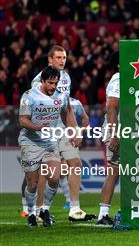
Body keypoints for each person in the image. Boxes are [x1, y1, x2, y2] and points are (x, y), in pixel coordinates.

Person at [27, 45, 85, 222]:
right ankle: (38, 211)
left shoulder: (65, 77)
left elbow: (66, 106)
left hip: (59, 126)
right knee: (47, 172)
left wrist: (74, 130)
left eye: (64, 57)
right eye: (58, 57)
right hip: (43, 129)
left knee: (75, 162)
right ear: (50, 60)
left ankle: (74, 209)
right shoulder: (38, 82)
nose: (62, 61)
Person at [19, 66, 78, 227]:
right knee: (32, 182)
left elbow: (67, 113)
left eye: (56, 83)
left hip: (50, 141)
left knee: (54, 178)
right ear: (42, 81)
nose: (53, 87)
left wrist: (74, 132)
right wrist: (38, 127)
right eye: (50, 83)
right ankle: (31, 212)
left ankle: (44, 210)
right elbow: (22, 120)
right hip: (30, 142)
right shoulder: (29, 96)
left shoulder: (61, 96)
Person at [96, 51, 120, 225]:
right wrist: (114, 134)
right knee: (114, 171)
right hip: (117, 132)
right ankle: (103, 214)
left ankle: (129, 210)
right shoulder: (118, 79)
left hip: (127, 131)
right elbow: (111, 108)